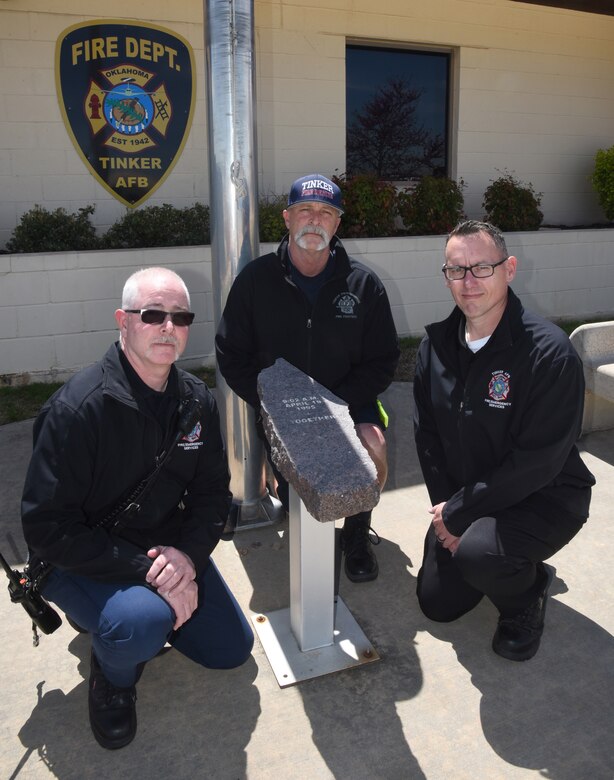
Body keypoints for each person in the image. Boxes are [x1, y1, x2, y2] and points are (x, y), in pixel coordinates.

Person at [21, 267, 254, 749]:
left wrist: (186, 560)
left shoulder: (194, 401)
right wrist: (154, 576)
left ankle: (122, 620)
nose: (168, 327)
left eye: (180, 316)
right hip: (82, 556)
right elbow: (46, 529)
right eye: (152, 315)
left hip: (163, 548)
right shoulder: (78, 410)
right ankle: (113, 677)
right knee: (139, 623)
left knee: (232, 649)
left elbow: (213, 494)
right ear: (122, 322)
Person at [413, 219, 595, 661]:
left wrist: (460, 516)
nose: (468, 281)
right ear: (446, 276)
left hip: (544, 498)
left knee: (479, 557)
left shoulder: (548, 354)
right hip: (469, 496)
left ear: (509, 269)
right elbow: (429, 441)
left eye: (482, 268)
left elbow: (537, 462)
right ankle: (492, 553)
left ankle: (526, 595)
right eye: (457, 270)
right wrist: (446, 515)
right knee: (438, 605)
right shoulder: (434, 347)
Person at [215, 174, 400, 582]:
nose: (314, 220)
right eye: (305, 210)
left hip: (347, 400)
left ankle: (354, 533)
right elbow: (232, 354)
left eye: (326, 213)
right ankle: (307, 536)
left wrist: (336, 404)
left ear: (337, 224)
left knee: (373, 445)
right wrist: (273, 403)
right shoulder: (255, 281)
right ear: (287, 218)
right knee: (296, 487)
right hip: (284, 408)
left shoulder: (364, 285)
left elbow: (384, 359)